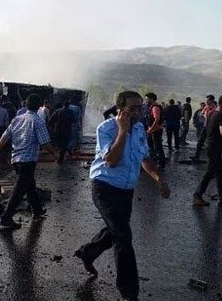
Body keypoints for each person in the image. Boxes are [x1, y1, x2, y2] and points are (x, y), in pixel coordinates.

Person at [74, 90, 171, 301]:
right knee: (123, 236)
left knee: (116, 230)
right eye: (132, 109)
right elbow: (111, 161)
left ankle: (88, 252)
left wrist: (159, 180)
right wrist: (121, 132)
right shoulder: (106, 129)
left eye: (140, 108)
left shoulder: (138, 129)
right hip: (105, 187)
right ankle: (129, 292)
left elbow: (144, 158)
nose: (138, 112)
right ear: (120, 110)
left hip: (126, 190)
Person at [0, 93, 58, 229]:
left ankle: (37, 209)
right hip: (28, 161)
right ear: (39, 105)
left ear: (26, 104)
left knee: (29, 186)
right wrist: (55, 154)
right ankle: (6, 217)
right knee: (19, 190)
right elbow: (45, 143)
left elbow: (5, 136)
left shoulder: (17, 119)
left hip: (16, 159)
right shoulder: (37, 121)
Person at [193, 94, 222, 207]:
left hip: (210, 144)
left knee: (218, 171)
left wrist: (202, 142)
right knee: (211, 171)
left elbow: (205, 129)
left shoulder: (210, 113)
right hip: (215, 146)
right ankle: (197, 196)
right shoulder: (221, 115)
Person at [191, 95, 216, 160]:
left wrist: (205, 115)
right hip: (205, 127)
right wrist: (205, 115)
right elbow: (202, 114)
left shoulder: (214, 108)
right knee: (200, 141)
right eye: (206, 100)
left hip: (211, 128)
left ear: (212, 101)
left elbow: (209, 117)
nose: (206, 101)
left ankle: (216, 157)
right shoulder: (206, 107)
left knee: (212, 143)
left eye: (208, 100)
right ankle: (196, 156)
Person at [144, 93, 165, 169]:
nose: (146, 100)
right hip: (153, 130)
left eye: (147, 99)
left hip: (156, 130)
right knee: (150, 146)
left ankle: (161, 163)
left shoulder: (155, 108)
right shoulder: (151, 107)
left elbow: (157, 119)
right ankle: (153, 160)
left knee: (157, 147)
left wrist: (151, 129)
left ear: (151, 99)